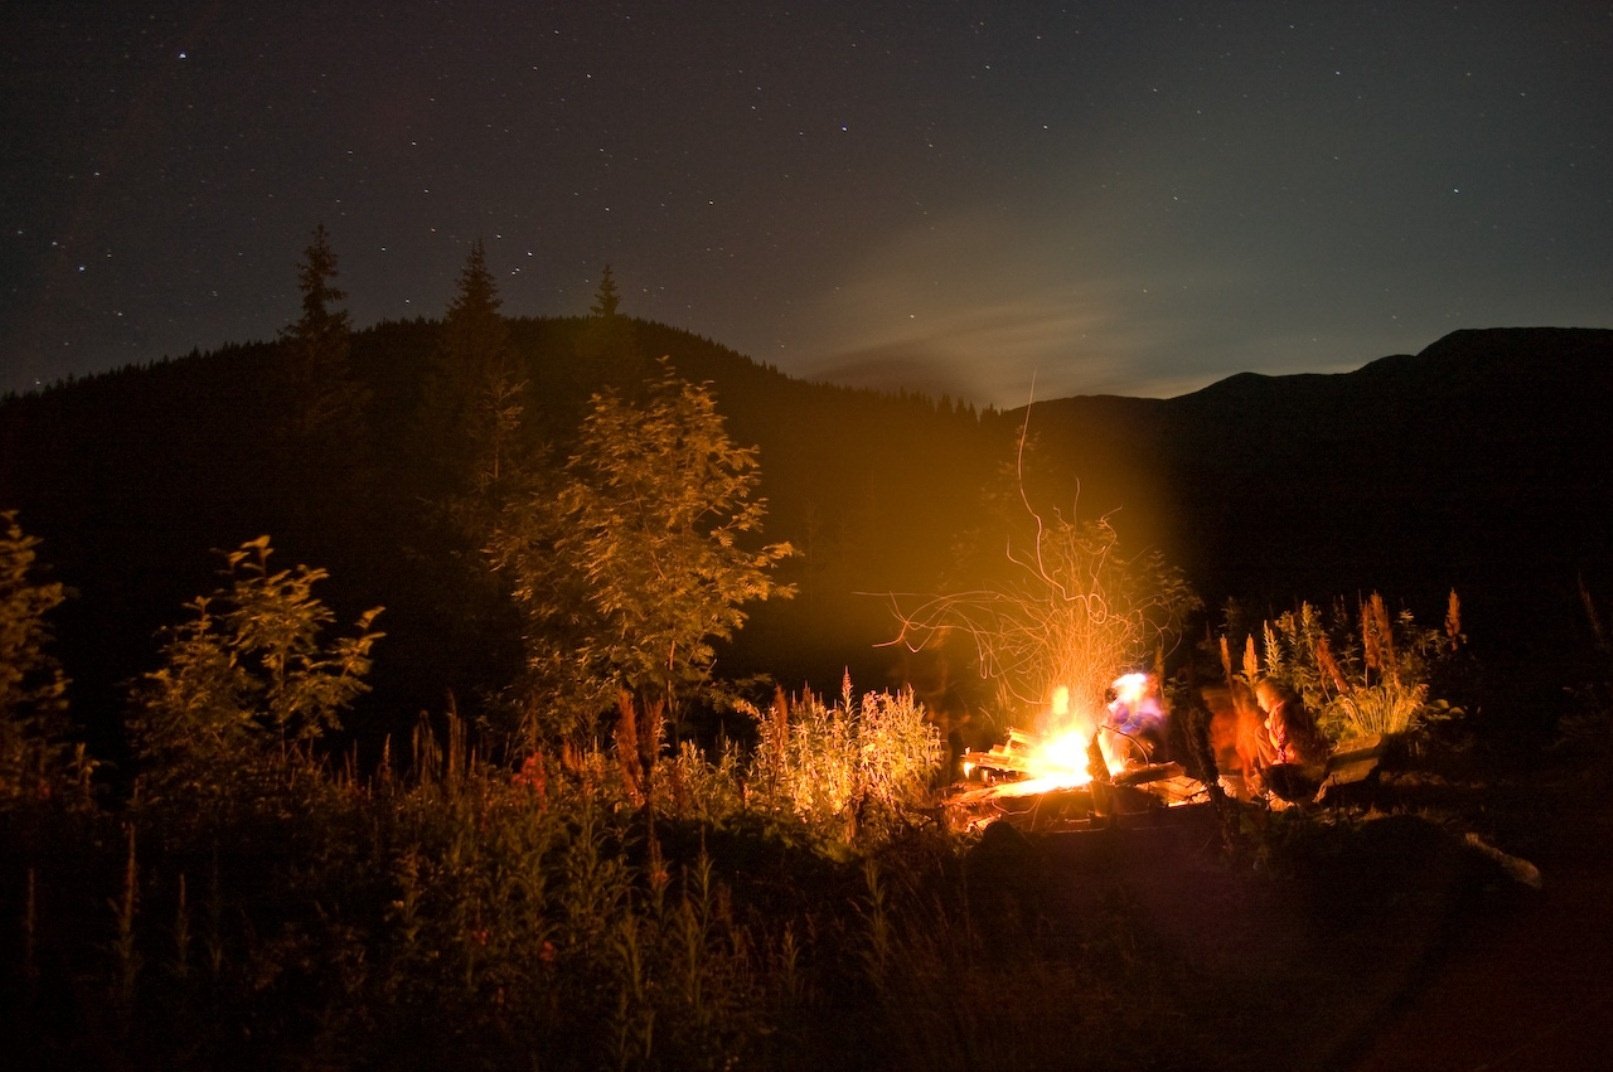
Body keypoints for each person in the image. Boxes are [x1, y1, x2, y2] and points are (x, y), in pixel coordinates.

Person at [1253, 679, 1330, 802]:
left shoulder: (1286, 714)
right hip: (1302, 763)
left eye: (1260, 698)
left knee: (1271, 774)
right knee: (1260, 733)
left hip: (1307, 770)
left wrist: (1274, 768)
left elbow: (1292, 747)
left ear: (1271, 697)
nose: (1258, 703)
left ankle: (1299, 799)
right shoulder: (1278, 713)